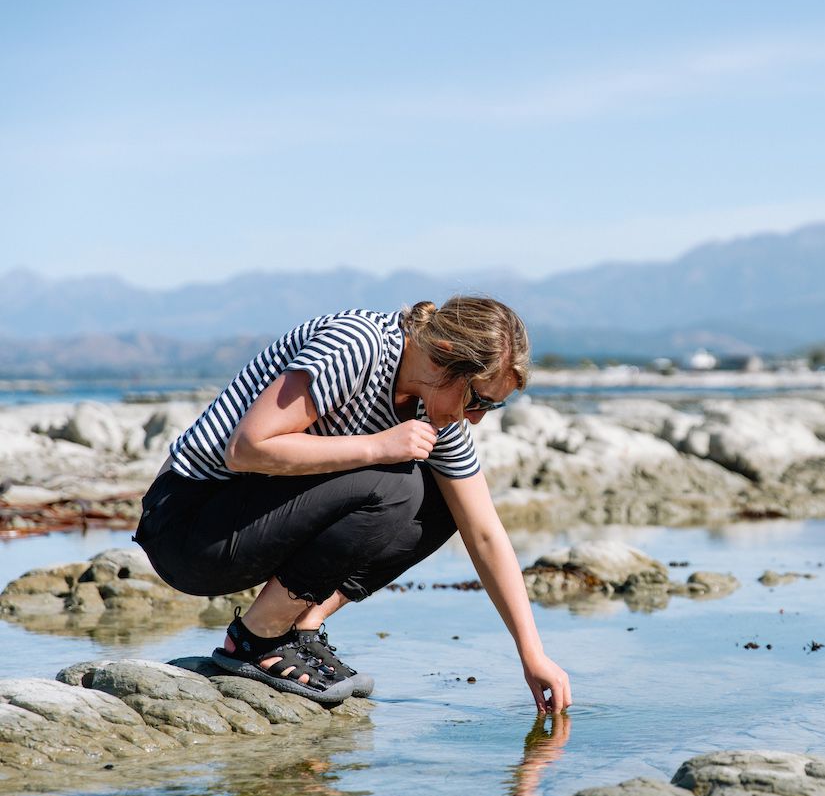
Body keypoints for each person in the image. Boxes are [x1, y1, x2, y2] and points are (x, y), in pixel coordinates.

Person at [132, 297, 571, 711]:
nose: (475, 417)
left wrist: (532, 654)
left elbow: (485, 532)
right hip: (188, 526)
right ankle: (255, 640)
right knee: (396, 484)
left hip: (249, 527)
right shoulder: (358, 344)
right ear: (443, 352)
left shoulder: (435, 410)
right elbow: (246, 448)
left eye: (492, 407)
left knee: (440, 503)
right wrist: (377, 447)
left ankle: (299, 627)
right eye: (477, 398)